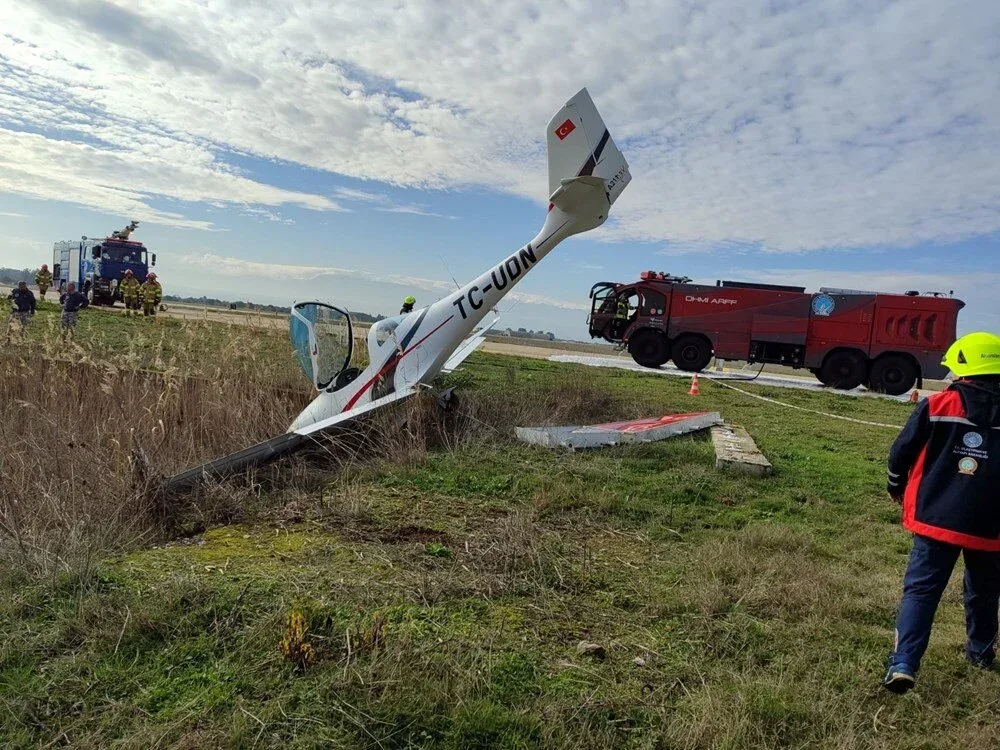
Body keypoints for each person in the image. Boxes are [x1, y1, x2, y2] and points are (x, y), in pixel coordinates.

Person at [883, 332, 1000, 694]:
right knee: (984, 591)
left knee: (921, 591)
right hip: (990, 525)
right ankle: (980, 655)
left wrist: (895, 486)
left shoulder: (938, 405)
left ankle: (904, 663)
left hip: (935, 518)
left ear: (963, 369)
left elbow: (900, 453)